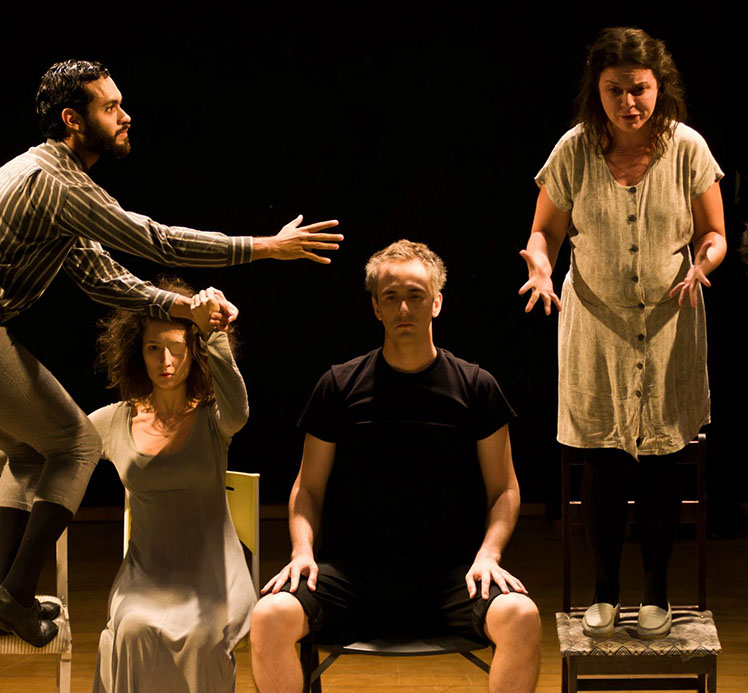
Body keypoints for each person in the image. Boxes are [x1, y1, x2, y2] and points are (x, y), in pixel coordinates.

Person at [0, 58, 342, 647]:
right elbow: (155, 240)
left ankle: (6, 598)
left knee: (31, 452)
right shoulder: (56, 182)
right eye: (110, 107)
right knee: (78, 444)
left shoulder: (54, 192)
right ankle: (13, 596)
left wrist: (182, 309)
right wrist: (263, 247)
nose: (125, 116)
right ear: (72, 120)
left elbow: (105, 280)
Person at [250, 241, 541, 693]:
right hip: (352, 578)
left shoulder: (476, 386)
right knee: (269, 616)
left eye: (415, 295)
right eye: (391, 297)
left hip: (452, 578)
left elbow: (504, 489)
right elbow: (308, 488)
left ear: (436, 302)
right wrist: (301, 551)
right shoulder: (339, 385)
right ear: (376, 307)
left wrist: (490, 554)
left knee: (522, 616)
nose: (404, 307)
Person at [518, 27, 726, 639]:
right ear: (597, 90)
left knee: (663, 459)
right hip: (597, 324)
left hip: (669, 322)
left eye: (639, 89)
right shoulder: (575, 149)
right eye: (615, 90)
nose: (628, 103)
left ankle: (657, 590)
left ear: (659, 87)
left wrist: (704, 263)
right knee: (604, 460)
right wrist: (539, 266)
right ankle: (604, 592)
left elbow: (714, 233)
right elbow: (544, 232)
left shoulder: (687, 148)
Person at [85, 281, 255, 692]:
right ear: (136, 352)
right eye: (153, 348)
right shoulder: (115, 420)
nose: (166, 361)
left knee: (200, 638)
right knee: (130, 629)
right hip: (145, 578)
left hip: (212, 576)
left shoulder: (214, 419)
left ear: (194, 352)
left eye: (177, 348)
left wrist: (214, 332)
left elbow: (239, 411)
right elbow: (48, 444)